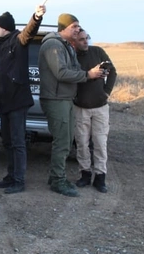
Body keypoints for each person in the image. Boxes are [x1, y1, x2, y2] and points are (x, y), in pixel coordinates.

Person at [38, 13, 104, 197]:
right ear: (64, 28)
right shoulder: (53, 45)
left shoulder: (65, 46)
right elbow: (61, 73)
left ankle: (56, 176)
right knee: (62, 142)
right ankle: (58, 181)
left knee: (66, 141)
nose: (77, 29)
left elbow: (73, 69)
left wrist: (92, 72)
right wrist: (87, 75)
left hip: (65, 98)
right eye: (74, 26)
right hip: (55, 99)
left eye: (78, 26)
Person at [0, 4, 45, 194]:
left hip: (17, 101)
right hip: (3, 102)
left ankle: (19, 180)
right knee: (7, 141)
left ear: (4, 28)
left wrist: (36, 16)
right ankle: (10, 176)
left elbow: (29, 32)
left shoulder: (18, 40)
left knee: (18, 142)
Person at [73, 29, 117, 193]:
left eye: (87, 38)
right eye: (81, 39)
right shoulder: (72, 57)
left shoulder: (97, 52)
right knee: (82, 143)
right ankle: (84, 175)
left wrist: (106, 91)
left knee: (100, 143)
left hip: (100, 107)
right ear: (75, 42)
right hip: (80, 108)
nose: (85, 41)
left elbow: (112, 71)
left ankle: (100, 177)